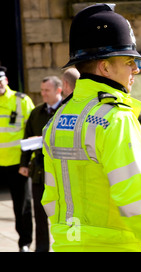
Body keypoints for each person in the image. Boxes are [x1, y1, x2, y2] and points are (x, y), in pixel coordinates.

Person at [41, 3, 141, 252]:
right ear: (104, 67)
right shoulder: (116, 119)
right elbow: (137, 205)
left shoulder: (57, 119)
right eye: (128, 61)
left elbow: (50, 198)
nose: (136, 69)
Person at [19, 76, 63, 252]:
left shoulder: (66, 111)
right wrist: (23, 164)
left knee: (63, 215)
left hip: (61, 173)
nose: (43, 94)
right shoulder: (36, 113)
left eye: (47, 90)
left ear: (58, 90)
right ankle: (42, 249)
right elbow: (26, 138)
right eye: (42, 90)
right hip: (39, 173)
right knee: (40, 215)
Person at [0, 66, 34, 252]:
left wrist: (28, 161)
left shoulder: (22, 101)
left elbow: (32, 133)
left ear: (6, 80)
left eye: (1, 81)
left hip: (17, 163)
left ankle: (25, 243)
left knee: (22, 206)